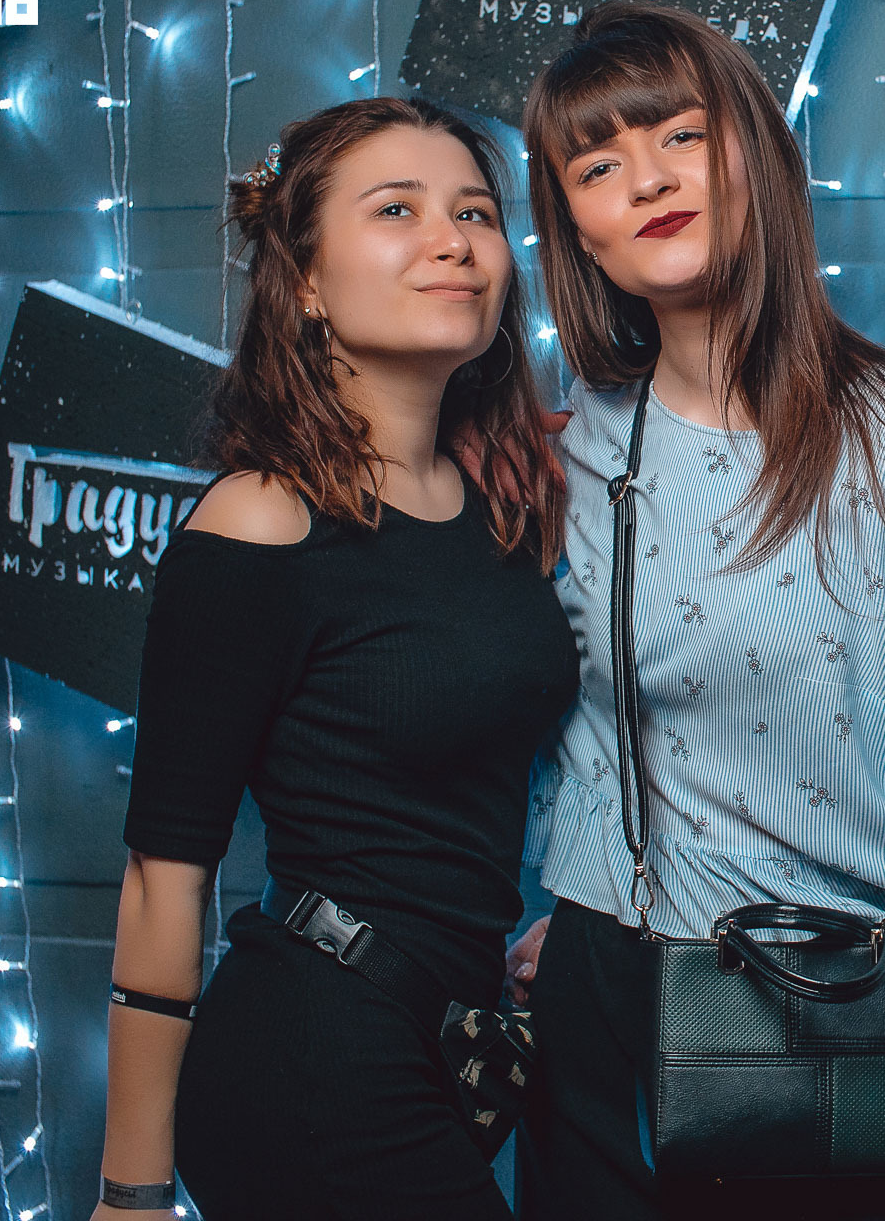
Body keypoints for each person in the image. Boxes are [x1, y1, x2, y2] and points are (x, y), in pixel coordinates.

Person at [504, 3, 885, 1221]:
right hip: (601, 1012)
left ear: (756, 153)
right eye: (597, 166)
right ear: (575, 229)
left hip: (830, 1007)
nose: (647, 180)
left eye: (680, 136)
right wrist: (587, 894)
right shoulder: (579, 443)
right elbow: (573, 721)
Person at [91, 96, 575, 1221]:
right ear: (305, 280)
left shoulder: (502, 505)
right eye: (397, 210)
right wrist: (130, 1192)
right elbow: (165, 870)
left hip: (446, 1048)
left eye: (475, 213)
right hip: (311, 1051)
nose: (453, 240)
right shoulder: (259, 519)